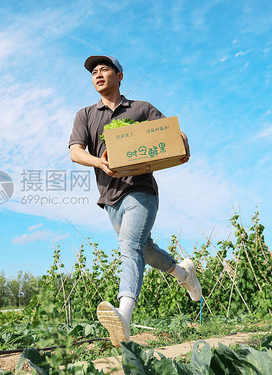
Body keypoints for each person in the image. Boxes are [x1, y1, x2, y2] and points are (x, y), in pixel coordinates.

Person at [68, 55, 202, 347]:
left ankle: (124, 315)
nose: (98, 74)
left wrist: (182, 139)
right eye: (94, 72)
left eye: (104, 69)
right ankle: (184, 273)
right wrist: (99, 163)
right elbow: (75, 151)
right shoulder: (86, 115)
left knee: (129, 246)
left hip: (141, 190)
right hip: (110, 197)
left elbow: (170, 133)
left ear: (120, 76)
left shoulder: (141, 108)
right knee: (145, 249)